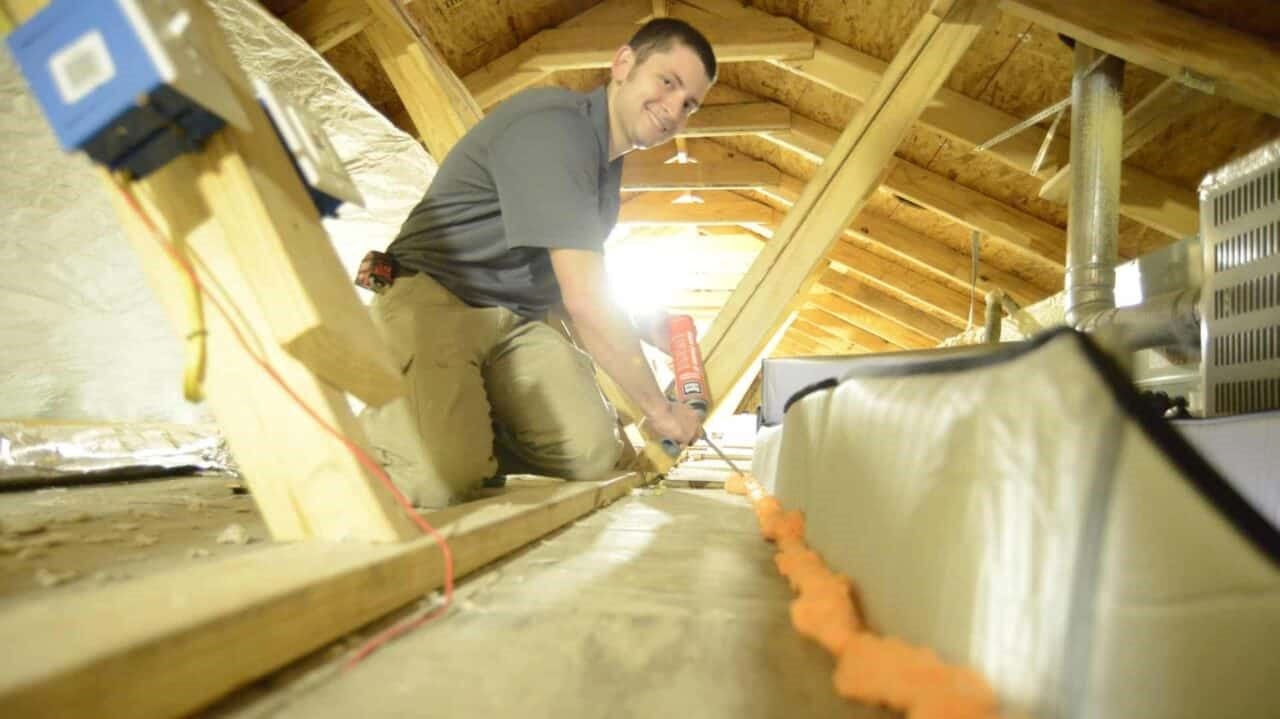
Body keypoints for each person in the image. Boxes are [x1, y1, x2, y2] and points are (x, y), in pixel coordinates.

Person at [359, 18, 717, 506]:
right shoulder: (556, 130)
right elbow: (585, 301)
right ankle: (395, 435)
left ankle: (458, 432)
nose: (674, 108)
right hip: (434, 298)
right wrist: (659, 409)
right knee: (439, 483)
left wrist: (648, 327)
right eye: (668, 82)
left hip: (513, 323)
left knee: (592, 454)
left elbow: (564, 281)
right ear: (624, 64)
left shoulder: (604, 169)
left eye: (690, 103)